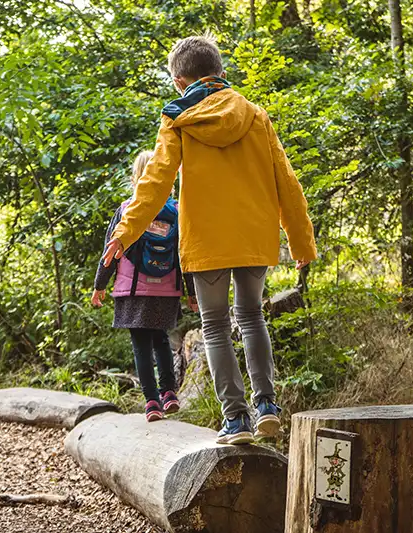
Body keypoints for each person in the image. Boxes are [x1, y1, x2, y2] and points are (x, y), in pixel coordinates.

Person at [102, 34, 317, 445]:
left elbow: (154, 183)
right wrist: (301, 242)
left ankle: (236, 420)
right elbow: (287, 183)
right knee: (251, 317)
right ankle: (267, 406)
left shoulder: (178, 118)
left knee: (215, 326)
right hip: (253, 233)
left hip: (206, 240)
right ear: (219, 71)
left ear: (180, 81)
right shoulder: (255, 115)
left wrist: (126, 231)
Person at [92, 150, 197, 422]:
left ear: (135, 176)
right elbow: (185, 254)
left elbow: (110, 251)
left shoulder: (128, 210)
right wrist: (192, 293)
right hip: (166, 289)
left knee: (140, 343)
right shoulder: (176, 210)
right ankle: (170, 393)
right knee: (161, 339)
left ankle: (152, 402)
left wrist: (99, 285)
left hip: (133, 289)